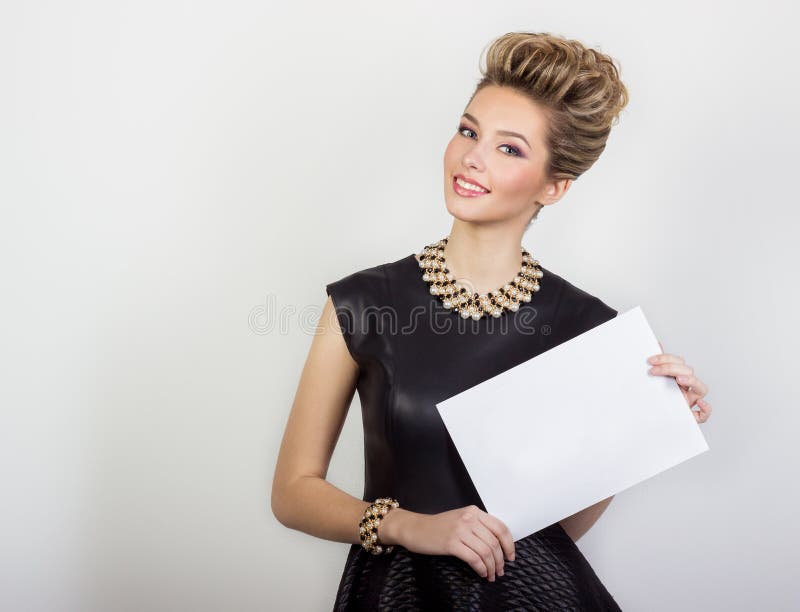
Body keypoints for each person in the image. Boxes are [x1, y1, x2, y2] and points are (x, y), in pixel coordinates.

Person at [271, 31, 713, 610]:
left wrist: (645, 424)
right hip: (398, 594)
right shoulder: (362, 305)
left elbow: (554, 527)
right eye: (468, 131)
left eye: (510, 149)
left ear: (555, 187)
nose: (472, 157)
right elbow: (293, 492)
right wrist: (407, 525)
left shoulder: (592, 329)